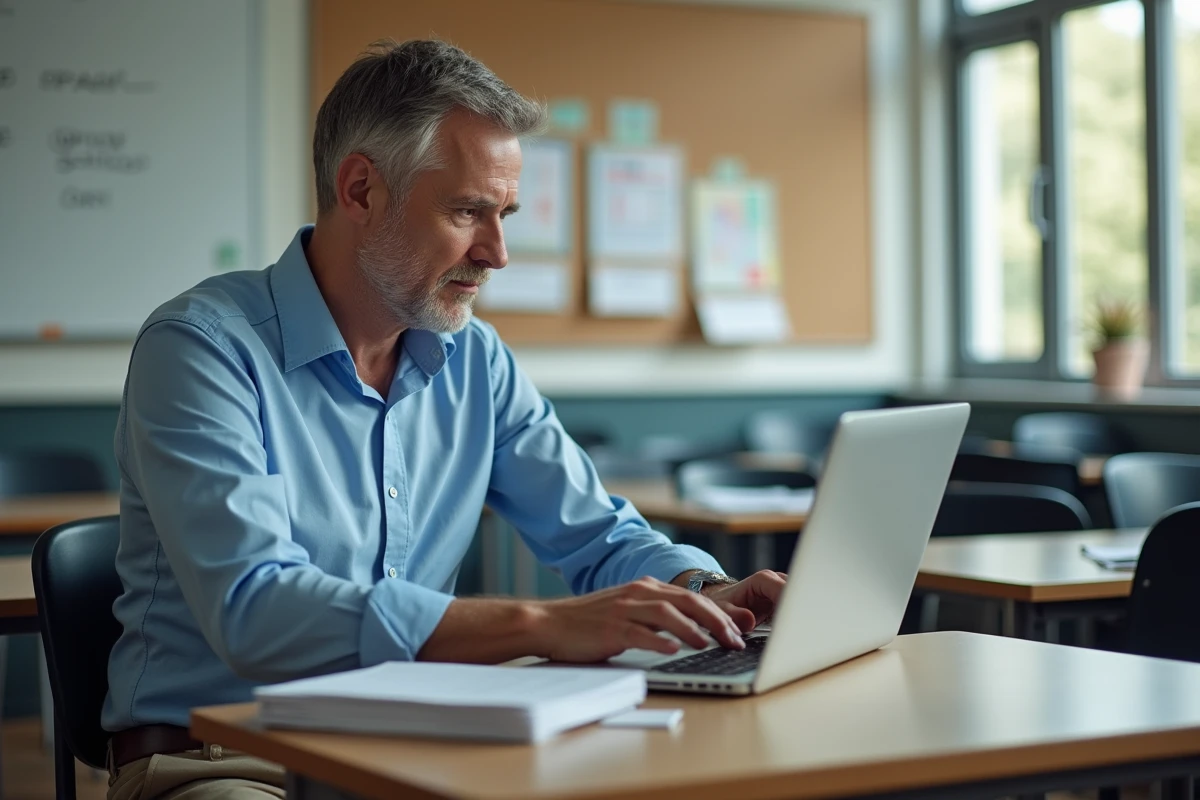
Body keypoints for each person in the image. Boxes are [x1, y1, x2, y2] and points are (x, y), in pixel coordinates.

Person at [104, 39, 787, 800]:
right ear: (361, 189)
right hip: (225, 760)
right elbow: (256, 611)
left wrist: (704, 590)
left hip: (422, 748)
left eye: (505, 215)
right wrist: (539, 625)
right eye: (467, 211)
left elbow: (597, 534)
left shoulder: (475, 359)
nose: (497, 253)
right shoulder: (200, 348)